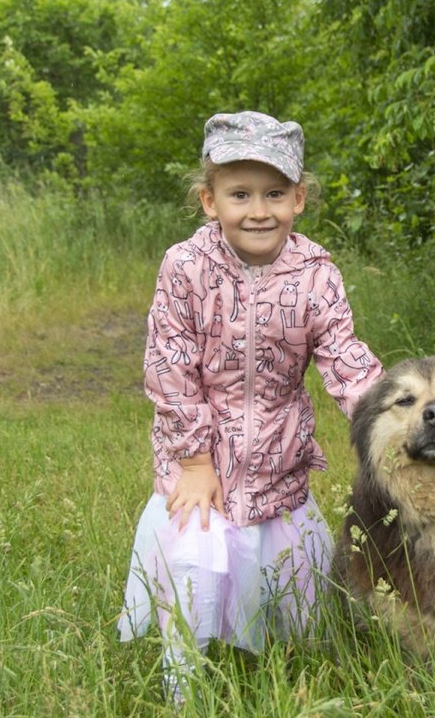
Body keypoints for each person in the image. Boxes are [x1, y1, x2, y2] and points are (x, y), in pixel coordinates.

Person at [117, 111, 384, 703]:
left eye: (274, 194)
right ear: (210, 201)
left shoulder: (316, 273)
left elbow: (344, 357)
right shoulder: (185, 267)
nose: (259, 210)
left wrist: (389, 417)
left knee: (289, 581)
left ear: (299, 198)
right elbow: (169, 365)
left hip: (276, 459)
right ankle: (183, 680)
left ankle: (297, 674)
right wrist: (193, 460)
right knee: (198, 565)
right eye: (240, 194)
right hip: (201, 467)